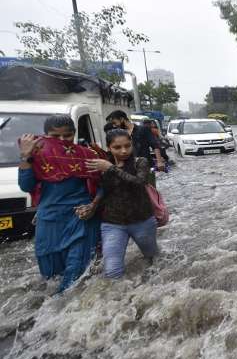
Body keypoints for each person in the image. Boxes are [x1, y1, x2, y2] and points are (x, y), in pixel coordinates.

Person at [17, 115, 101, 293]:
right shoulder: (37, 156)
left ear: (74, 133)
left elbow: (104, 185)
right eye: (55, 137)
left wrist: (93, 206)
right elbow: (26, 186)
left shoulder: (85, 155)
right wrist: (25, 156)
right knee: (51, 275)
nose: (62, 141)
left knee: (76, 275)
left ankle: (64, 312)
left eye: (68, 136)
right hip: (49, 221)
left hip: (81, 217)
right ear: (45, 135)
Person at [85, 129, 158, 278]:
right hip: (112, 223)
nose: (124, 151)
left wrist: (111, 169)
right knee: (112, 270)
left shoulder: (140, 162)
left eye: (127, 145)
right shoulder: (102, 165)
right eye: (117, 147)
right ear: (108, 148)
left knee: (152, 258)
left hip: (142, 220)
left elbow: (140, 182)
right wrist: (92, 205)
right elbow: (103, 189)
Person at [105, 111, 164, 184]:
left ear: (122, 119)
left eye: (115, 122)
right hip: (128, 168)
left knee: (149, 191)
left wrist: (159, 161)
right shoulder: (122, 134)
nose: (114, 126)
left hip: (145, 167)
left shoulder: (143, 129)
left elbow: (155, 145)